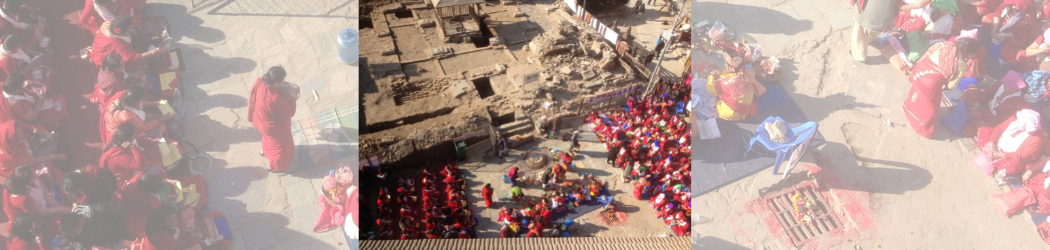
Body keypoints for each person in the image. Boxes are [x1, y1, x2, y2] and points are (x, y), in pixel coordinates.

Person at [904, 38, 981, 138]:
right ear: (970, 54)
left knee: (917, 93)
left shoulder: (943, 44)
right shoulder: (962, 65)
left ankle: (909, 108)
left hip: (919, 71)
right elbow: (951, 86)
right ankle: (923, 128)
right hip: (930, 83)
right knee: (931, 106)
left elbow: (928, 53)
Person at [247, 66, 298, 173]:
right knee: (280, 148)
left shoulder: (260, 81)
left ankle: (263, 151)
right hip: (275, 128)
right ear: (275, 83)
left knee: (268, 139)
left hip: (262, 121)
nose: (283, 83)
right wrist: (292, 96)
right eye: (282, 81)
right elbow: (290, 112)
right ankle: (273, 166)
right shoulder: (274, 98)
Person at [976, 109, 1047, 178]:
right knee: (984, 131)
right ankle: (991, 156)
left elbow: (1020, 156)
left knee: (1013, 166)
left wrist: (1000, 155)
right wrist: (992, 145)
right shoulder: (1018, 119)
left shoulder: (1038, 139)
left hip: (1010, 155)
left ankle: (990, 156)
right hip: (997, 144)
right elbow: (999, 128)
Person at [3, 165, 68, 241]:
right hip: (33, 213)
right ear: (26, 181)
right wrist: (61, 209)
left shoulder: (19, 174)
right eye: (32, 176)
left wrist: (48, 195)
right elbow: (38, 212)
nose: (35, 175)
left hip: (42, 203)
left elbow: (38, 179)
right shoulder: (22, 199)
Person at [706, 42, 765, 121]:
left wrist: (711, 76)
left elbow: (711, 90)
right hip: (746, 107)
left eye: (726, 64)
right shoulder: (748, 70)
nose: (724, 65)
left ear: (732, 68)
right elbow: (732, 74)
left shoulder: (726, 83)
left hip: (733, 113)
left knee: (716, 102)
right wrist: (722, 73)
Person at [102, 86, 172, 144]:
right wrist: (161, 120)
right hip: (117, 129)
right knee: (158, 127)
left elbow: (137, 103)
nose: (142, 100)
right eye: (141, 99)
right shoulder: (128, 116)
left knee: (154, 117)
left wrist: (151, 104)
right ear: (136, 102)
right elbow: (143, 128)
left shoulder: (124, 95)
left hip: (116, 119)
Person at [90, 15, 163, 69]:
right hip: (104, 61)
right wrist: (155, 51)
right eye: (129, 28)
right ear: (123, 32)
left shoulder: (109, 23)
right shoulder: (119, 45)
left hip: (99, 48)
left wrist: (133, 31)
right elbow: (135, 57)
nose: (131, 28)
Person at [0, 73, 67, 131]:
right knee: (52, 116)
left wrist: (28, 82)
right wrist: (41, 98)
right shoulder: (19, 105)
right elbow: (33, 117)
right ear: (17, 90)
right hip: (16, 121)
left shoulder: (4, 85)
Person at [100, 123, 150, 189]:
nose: (135, 136)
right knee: (149, 179)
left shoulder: (116, 137)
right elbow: (142, 164)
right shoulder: (119, 157)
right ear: (128, 139)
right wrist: (133, 147)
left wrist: (150, 141)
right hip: (122, 183)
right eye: (133, 135)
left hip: (125, 171)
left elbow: (136, 138)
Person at [59, 202, 127, 250]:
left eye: (74, 233)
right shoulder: (68, 229)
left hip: (118, 239)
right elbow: (74, 241)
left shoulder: (102, 211)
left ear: (80, 224)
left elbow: (121, 217)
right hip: (98, 246)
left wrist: (121, 240)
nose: (72, 236)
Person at [121, 173, 163, 238]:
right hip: (131, 224)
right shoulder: (149, 200)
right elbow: (159, 208)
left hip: (122, 208)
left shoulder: (135, 180)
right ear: (148, 190)